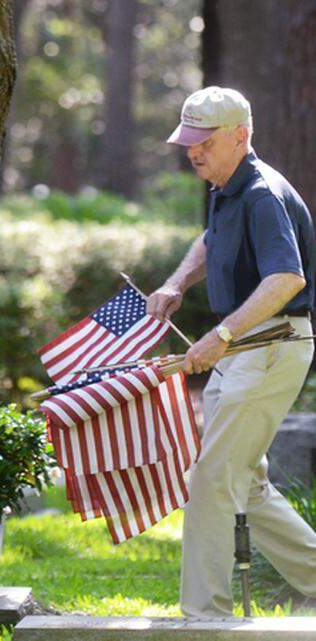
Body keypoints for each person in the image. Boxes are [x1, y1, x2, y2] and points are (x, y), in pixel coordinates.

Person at [147, 86, 316, 617]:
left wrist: (221, 337)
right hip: (247, 346)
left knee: (213, 479)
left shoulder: (262, 193)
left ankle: (205, 618)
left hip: (270, 344)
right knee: (247, 484)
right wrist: (178, 284)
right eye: (189, 141)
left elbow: (287, 278)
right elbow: (210, 240)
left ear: (240, 136)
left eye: (205, 142)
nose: (193, 151)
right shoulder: (227, 185)